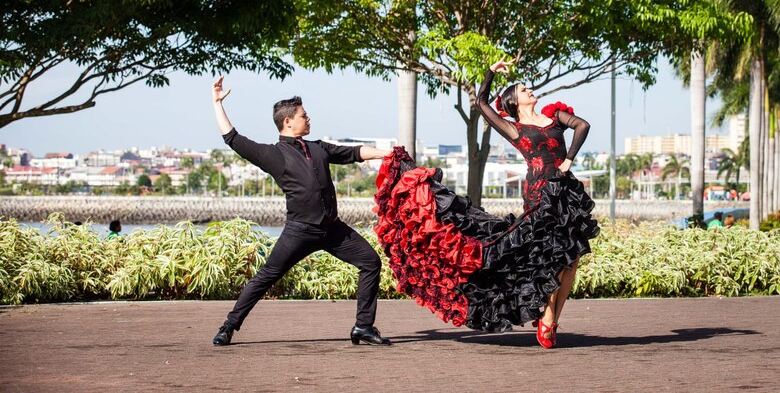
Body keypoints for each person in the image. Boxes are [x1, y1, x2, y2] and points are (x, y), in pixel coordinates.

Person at [373, 57, 599, 349]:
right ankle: (546, 318)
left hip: (567, 192)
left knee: (572, 259)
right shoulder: (514, 129)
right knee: (552, 258)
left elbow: (583, 125)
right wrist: (491, 72)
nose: (530, 90)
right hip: (541, 193)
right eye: (523, 89)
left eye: (528, 88)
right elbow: (481, 103)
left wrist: (569, 160)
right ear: (514, 101)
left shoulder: (554, 116)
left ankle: (552, 320)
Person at [210, 76, 392, 347]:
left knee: (370, 262)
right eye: (304, 116)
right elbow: (233, 139)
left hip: (333, 230)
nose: (309, 119)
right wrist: (217, 103)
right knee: (266, 277)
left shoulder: (319, 148)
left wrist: (387, 154)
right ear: (288, 122)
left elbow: (354, 152)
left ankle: (363, 327)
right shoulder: (274, 155)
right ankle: (228, 326)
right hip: (299, 231)